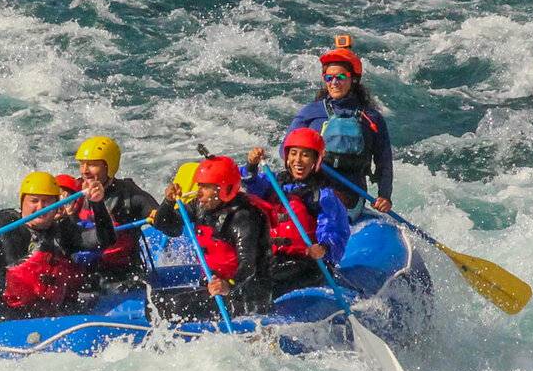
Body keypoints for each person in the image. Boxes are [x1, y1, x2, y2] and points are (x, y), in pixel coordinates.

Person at [0, 171, 114, 335]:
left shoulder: (64, 231)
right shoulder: (4, 223)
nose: (40, 207)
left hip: (32, 313)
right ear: (22, 202)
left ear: (56, 204)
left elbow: (105, 239)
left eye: (47, 201)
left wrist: (97, 204)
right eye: (34, 201)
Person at [149, 155, 271, 318]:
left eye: (206, 187)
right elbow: (169, 228)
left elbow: (248, 265)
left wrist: (228, 285)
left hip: (245, 294)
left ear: (225, 189)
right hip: (214, 287)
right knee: (154, 301)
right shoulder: (200, 206)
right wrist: (168, 203)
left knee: (174, 306)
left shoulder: (244, 217)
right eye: (199, 185)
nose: (199, 193)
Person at [288, 39, 394, 211]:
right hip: (311, 188)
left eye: (341, 77)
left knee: (331, 202)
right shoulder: (310, 113)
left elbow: (384, 161)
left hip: (351, 195)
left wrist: (384, 196)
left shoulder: (372, 118)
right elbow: (286, 151)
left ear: (353, 80)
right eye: (329, 78)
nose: (334, 82)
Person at [244, 127, 352, 294]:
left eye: (305, 155)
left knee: (264, 283)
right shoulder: (274, 182)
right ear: (287, 157)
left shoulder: (322, 195)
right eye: (293, 153)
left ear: (316, 160)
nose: (298, 160)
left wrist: (323, 248)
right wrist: (251, 166)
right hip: (274, 258)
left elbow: (335, 231)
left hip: (308, 264)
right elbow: (249, 184)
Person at [69, 136, 160, 280]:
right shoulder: (72, 192)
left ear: (108, 167)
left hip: (123, 275)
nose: (84, 171)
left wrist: (165, 208)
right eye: (82, 164)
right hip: (82, 274)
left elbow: (171, 227)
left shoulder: (130, 195)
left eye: (92, 165)